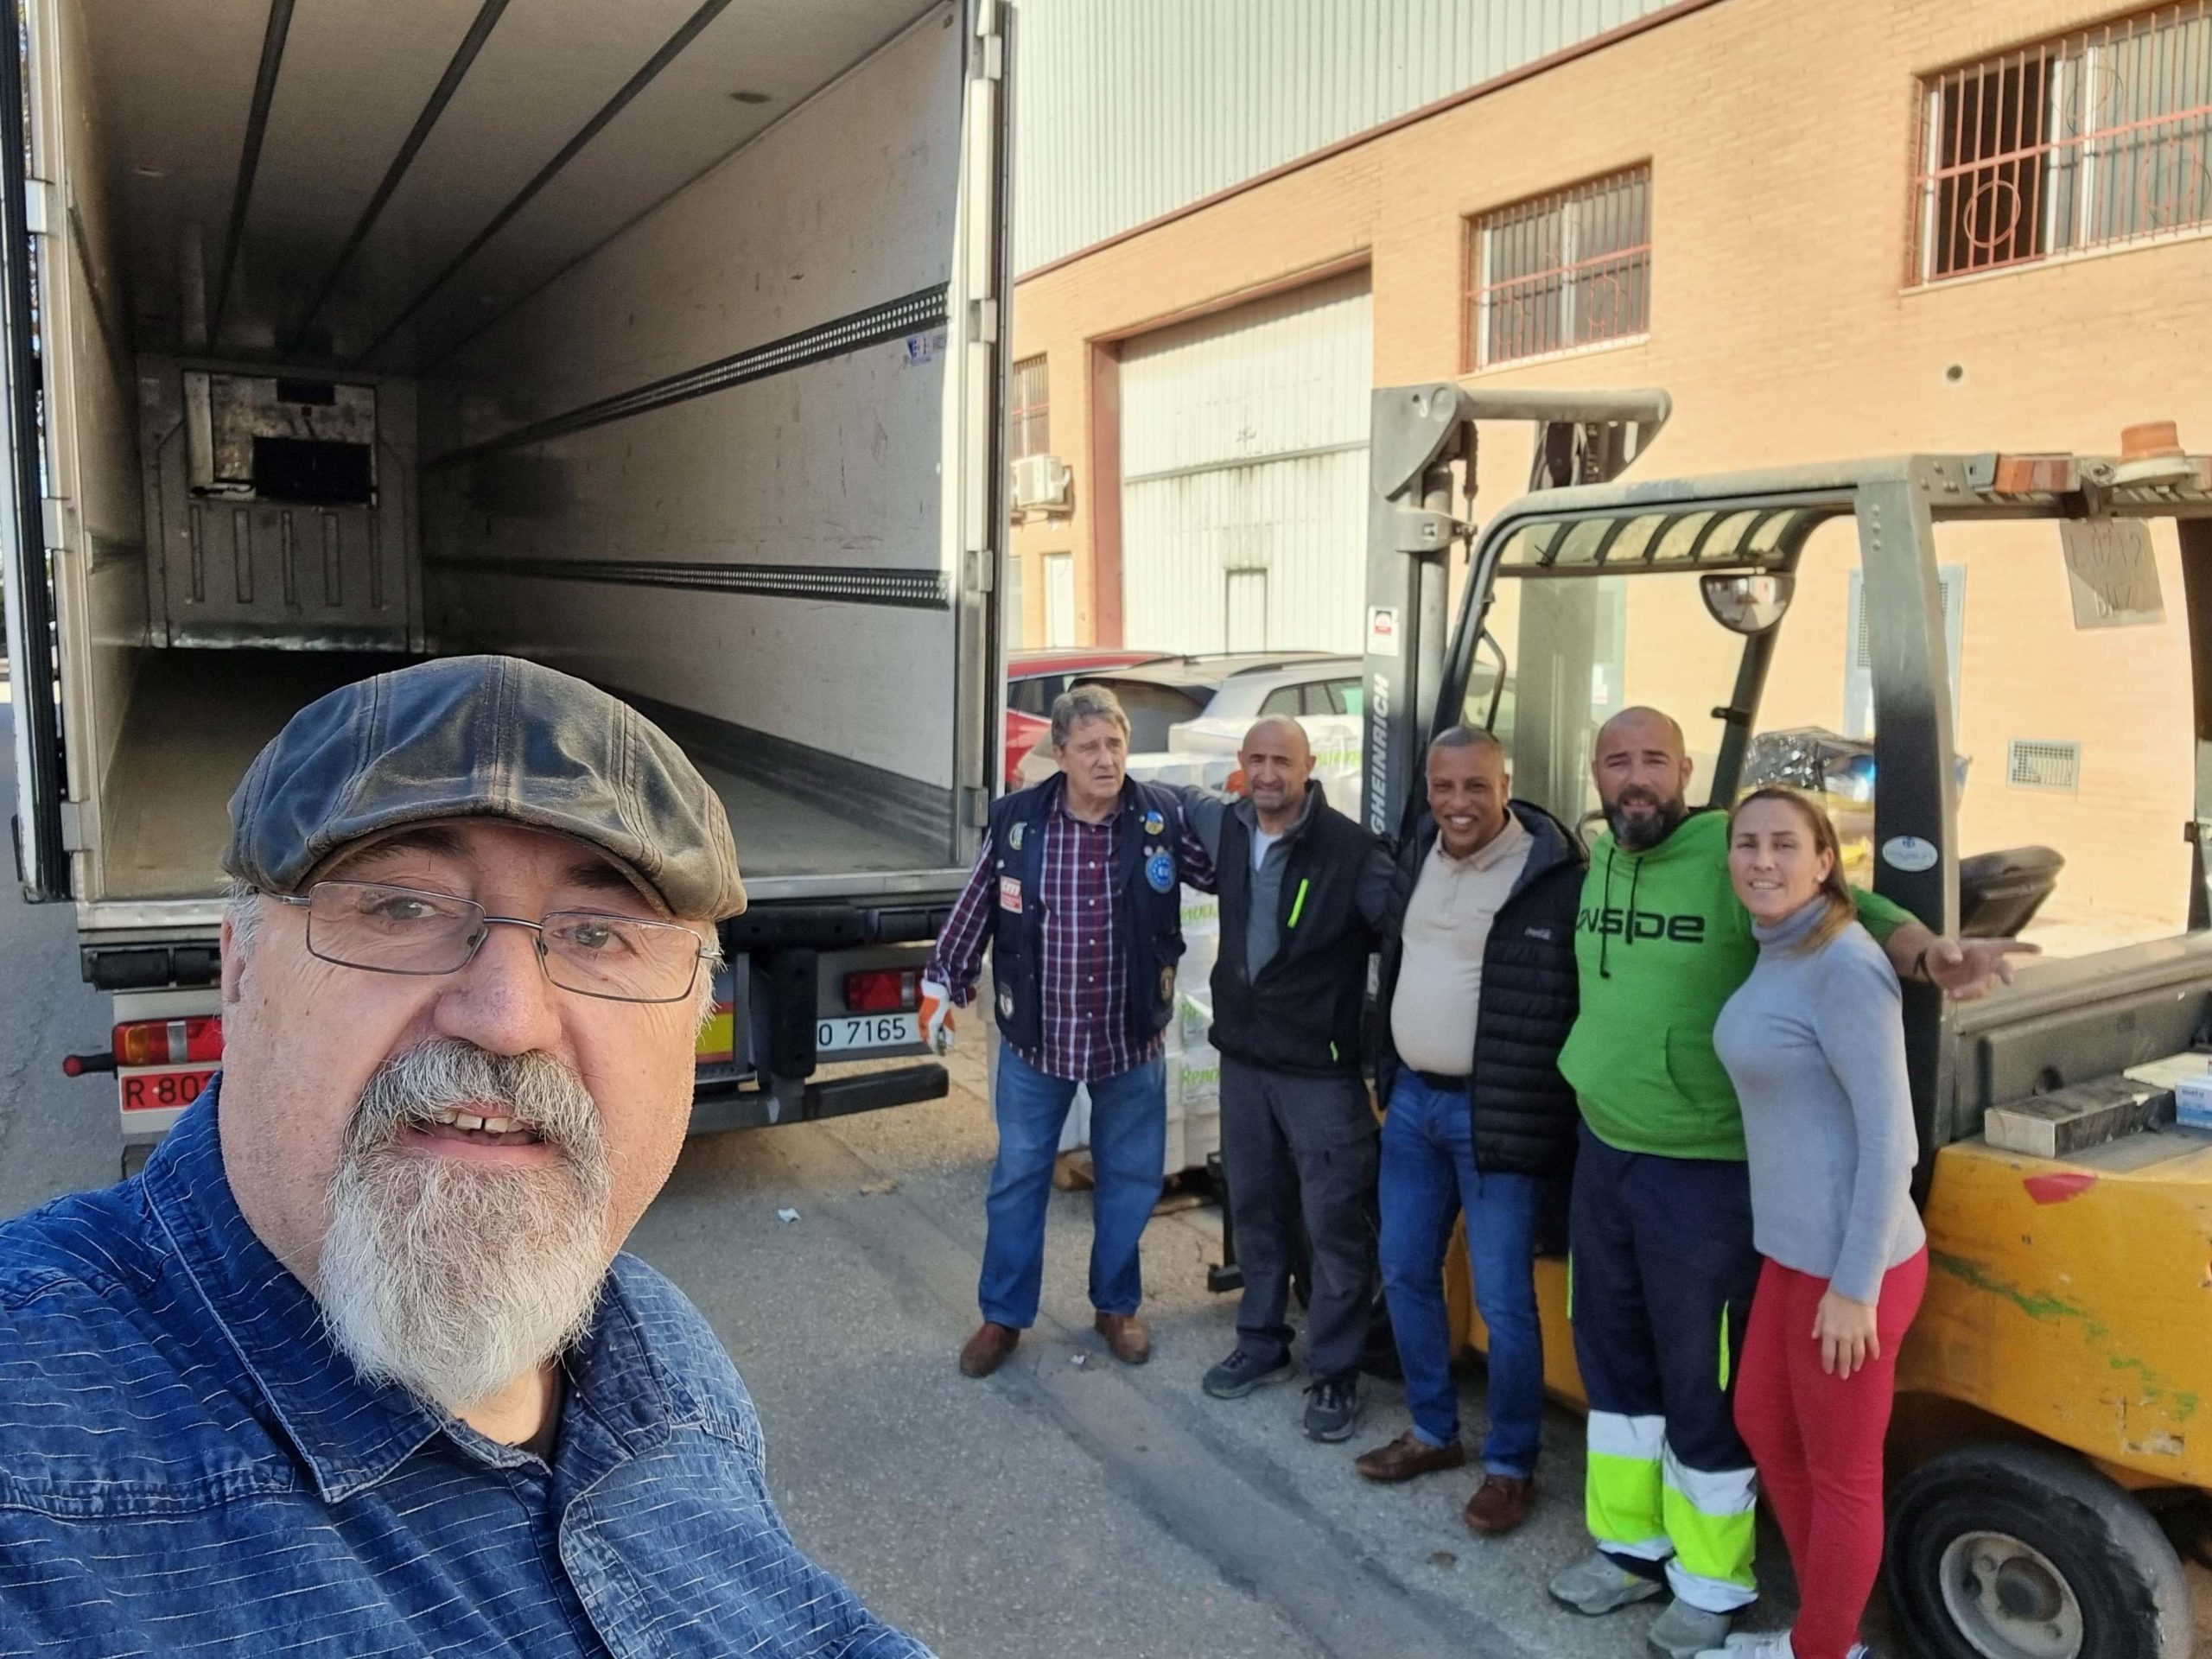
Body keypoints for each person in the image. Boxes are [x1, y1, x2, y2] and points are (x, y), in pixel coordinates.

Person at [0, 655, 931, 1656]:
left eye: (600, 934)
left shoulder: (656, 1348)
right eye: (402, 907)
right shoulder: (34, 1443)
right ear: (239, 971)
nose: (507, 1017)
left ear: (694, 1014)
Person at [1546, 707, 2029, 1659]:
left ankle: (1712, 1579)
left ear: (1686, 769)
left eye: (1652, 760)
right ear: (1594, 774)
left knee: (1700, 1380)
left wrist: (1930, 953)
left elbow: (1863, 917)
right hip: (1606, 1150)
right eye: (1615, 761)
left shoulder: (1743, 861)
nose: (1634, 777)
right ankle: (1628, 1545)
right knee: (1615, 1361)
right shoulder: (1602, 853)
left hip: (1709, 1177)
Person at [923, 683, 1212, 1378]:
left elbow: (1228, 873)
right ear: (1062, 754)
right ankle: (1002, 1316)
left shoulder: (1159, 818)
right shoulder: (1021, 823)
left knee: (1131, 1179)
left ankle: (1116, 1305)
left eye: (1115, 743)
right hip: (1038, 1041)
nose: (1106, 759)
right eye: (1090, 747)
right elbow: (976, 906)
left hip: (1129, 1041)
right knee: (1019, 1177)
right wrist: (943, 984)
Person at [1700, 788, 1928, 1659]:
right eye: (1746, 844)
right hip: (1790, 1254)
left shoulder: (1844, 965)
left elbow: (1890, 1143)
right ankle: (1820, 1633)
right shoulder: (1781, 948)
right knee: (1764, 1425)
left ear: (1825, 862)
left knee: (1841, 1475)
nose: (1762, 861)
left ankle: (1823, 1649)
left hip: (1850, 1265)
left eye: (1783, 845)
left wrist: (1853, 1288)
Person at [1352, 726, 1583, 1539]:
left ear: (1505, 783)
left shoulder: (1552, 874)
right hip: (1414, 1104)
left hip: (1498, 1116)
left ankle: (1511, 1467)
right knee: (1407, 1269)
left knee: (1503, 1300)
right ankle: (1433, 1432)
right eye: (1443, 787)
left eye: (1475, 787)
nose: (1458, 803)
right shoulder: (1421, 850)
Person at [1170, 715, 1395, 1441]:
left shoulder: (1353, 852)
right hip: (1244, 1065)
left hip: (1320, 1075)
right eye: (1257, 760)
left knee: (1334, 1225)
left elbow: (1412, 939)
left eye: (1283, 762)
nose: (1269, 774)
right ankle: (1262, 1342)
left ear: (1308, 767)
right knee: (1257, 1211)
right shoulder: (1228, 826)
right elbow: (1160, 799)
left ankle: (1334, 1373)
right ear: (1241, 765)